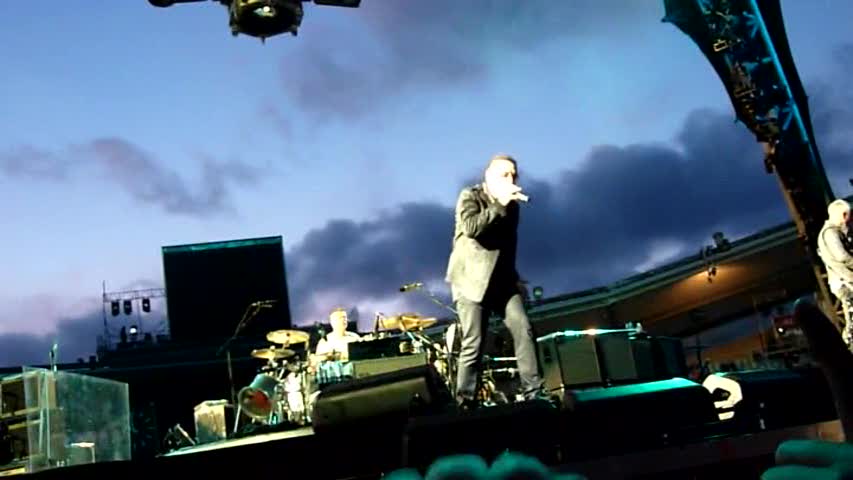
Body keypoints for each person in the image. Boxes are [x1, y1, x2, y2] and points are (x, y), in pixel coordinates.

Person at [445, 153, 546, 409]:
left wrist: (515, 279)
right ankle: (465, 403)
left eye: (514, 175)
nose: (511, 179)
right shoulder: (470, 196)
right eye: (505, 174)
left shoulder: (513, 207)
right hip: (470, 281)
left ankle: (534, 392)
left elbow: (506, 245)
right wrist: (499, 204)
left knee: (523, 327)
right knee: (474, 343)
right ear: (489, 176)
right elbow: (472, 229)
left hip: (502, 282)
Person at [816, 198, 853, 344]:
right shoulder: (831, 233)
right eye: (848, 215)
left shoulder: (829, 232)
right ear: (843, 215)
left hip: (844, 281)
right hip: (845, 282)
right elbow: (842, 256)